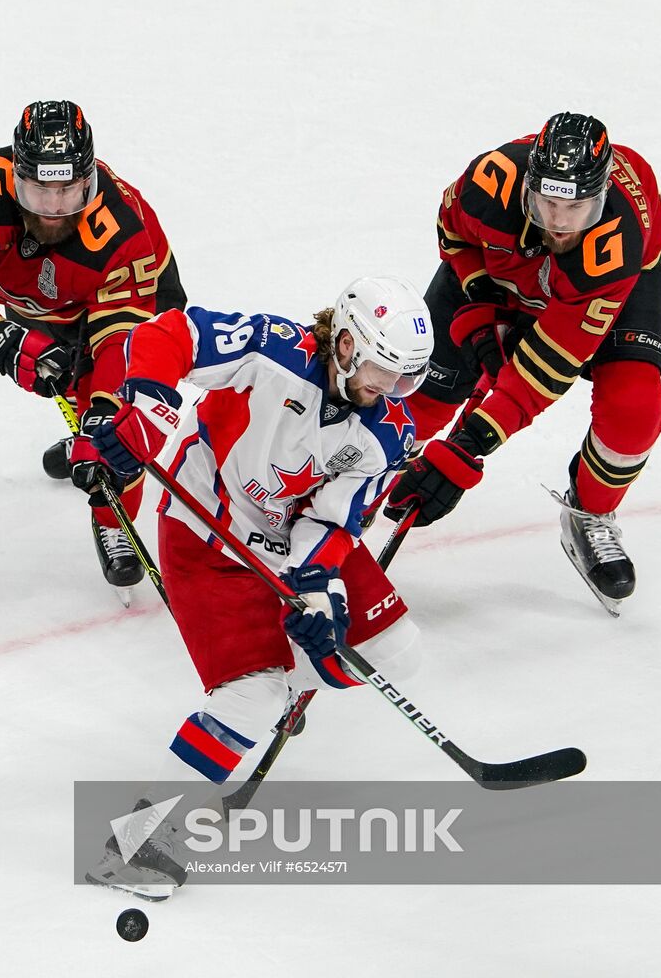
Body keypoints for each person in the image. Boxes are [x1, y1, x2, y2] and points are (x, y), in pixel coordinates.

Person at [83, 275, 434, 896]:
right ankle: (140, 846)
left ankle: (298, 671)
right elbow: (173, 333)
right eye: (384, 369)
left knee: (395, 651)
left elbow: (332, 522)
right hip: (204, 533)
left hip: (289, 540)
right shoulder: (276, 350)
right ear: (347, 344)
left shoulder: (384, 433)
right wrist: (144, 413)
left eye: (406, 379)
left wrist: (319, 598)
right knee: (254, 699)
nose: (392, 390)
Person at [385, 112, 661, 614]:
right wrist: (479, 297)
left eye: (576, 207)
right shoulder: (488, 182)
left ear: (600, 198)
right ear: (529, 186)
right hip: (507, 266)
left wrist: (467, 448)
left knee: (634, 413)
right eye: (548, 203)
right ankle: (342, 473)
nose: (560, 221)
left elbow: (540, 376)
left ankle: (590, 514)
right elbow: (453, 235)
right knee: (417, 399)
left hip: (612, 290)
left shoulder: (614, 243)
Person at [0, 100, 187, 593]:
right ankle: (82, 432)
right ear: (14, 176)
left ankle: (112, 519)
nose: (54, 210)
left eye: (69, 191)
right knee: (57, 370)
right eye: (39, 191)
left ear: (90, 180)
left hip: (127, 296)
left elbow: (118, 347)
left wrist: (105, 412)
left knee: (119, 416)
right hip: (37, 292)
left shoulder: (123, 234)